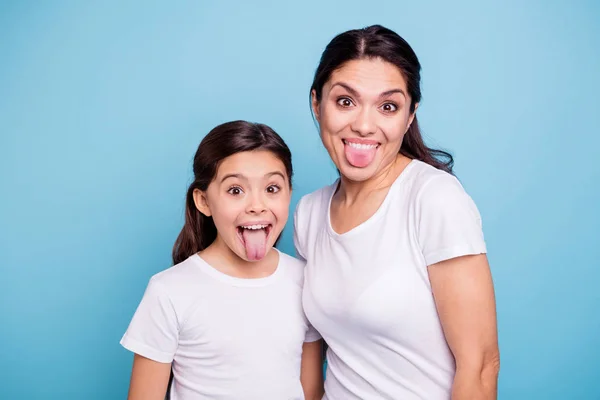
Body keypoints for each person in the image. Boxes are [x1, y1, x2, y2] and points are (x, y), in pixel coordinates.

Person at [294, 25, 500, 399]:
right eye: (345, 101)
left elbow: (481, 364)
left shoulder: (434, 199)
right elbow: (316, 352)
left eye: (388, 106)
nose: (364, 125)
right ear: (316, 104)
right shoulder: (308, 213)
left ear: (409, 116)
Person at [121, 121, 323, 400]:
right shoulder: (169, 291)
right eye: (235, 190)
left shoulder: (305, 281)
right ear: (203, 201)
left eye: (272, 188)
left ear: (289, 193)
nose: (257, 205)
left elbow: (311, 390)